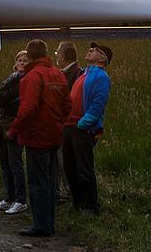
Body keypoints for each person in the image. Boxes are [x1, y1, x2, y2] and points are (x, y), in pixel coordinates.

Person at [6, 39, 71, 237]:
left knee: (37, 183)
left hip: (36, 137)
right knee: (50, 181)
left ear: (30, 55)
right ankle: (49, 223)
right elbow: (68, 105)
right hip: (54, 135)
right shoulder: (58, 74)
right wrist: (58, 124)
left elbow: (28, 110)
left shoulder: (31, 77)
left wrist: (13, 130)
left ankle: (41, 225)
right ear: (46, 53)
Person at [63, 42, 113, 214]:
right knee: (70, 167)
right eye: (90, 48)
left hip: (82, 129)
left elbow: (98, 103)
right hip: (69, 126)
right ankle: (78, 204)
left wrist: (83, 124)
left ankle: (91, 207)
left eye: (95, 50)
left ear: (102, 58)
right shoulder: (84, 73)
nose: (89, 50)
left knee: (84, 168)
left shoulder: (100, 76)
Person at [0, 50, 29, 215]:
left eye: (25, 60)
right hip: (4, 124)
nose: (22, 62)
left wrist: (4, 96)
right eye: (19, 59)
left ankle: (20, 199)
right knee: (5, 163)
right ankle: (8, 197)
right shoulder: (12, 79)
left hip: (15, 125)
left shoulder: (24, 81)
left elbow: (2, 98)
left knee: (15, 163)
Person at [53, 41, 82, 201]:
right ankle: (59, 190)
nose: (56, 56)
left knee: (64, 159)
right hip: (61, 122)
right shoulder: (65, 72)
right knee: (58, 158)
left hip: (67, 123)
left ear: (63, 56)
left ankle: (71, 190)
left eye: (58, 53)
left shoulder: (76, 73)